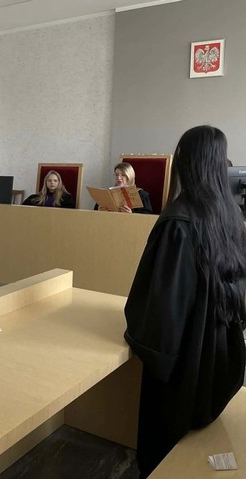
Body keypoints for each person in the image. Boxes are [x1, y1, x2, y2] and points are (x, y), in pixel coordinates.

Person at [124, 126, 246, 478]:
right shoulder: (230, 215)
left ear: (186, 162)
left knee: (164, 449)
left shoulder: (179, 221)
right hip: (222, 349)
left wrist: (141, 337)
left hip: (186, 359)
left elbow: (164, 308)